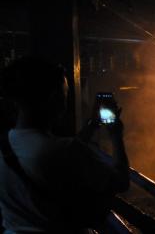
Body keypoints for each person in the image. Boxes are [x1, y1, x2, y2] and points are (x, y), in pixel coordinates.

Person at [0, 57, 130, 233]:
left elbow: (61, 153)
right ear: (54, 98)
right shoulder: (65, 150)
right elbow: (121, 182)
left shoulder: (5, 144)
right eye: (65, 94)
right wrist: (116, 136)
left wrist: (92, 125)